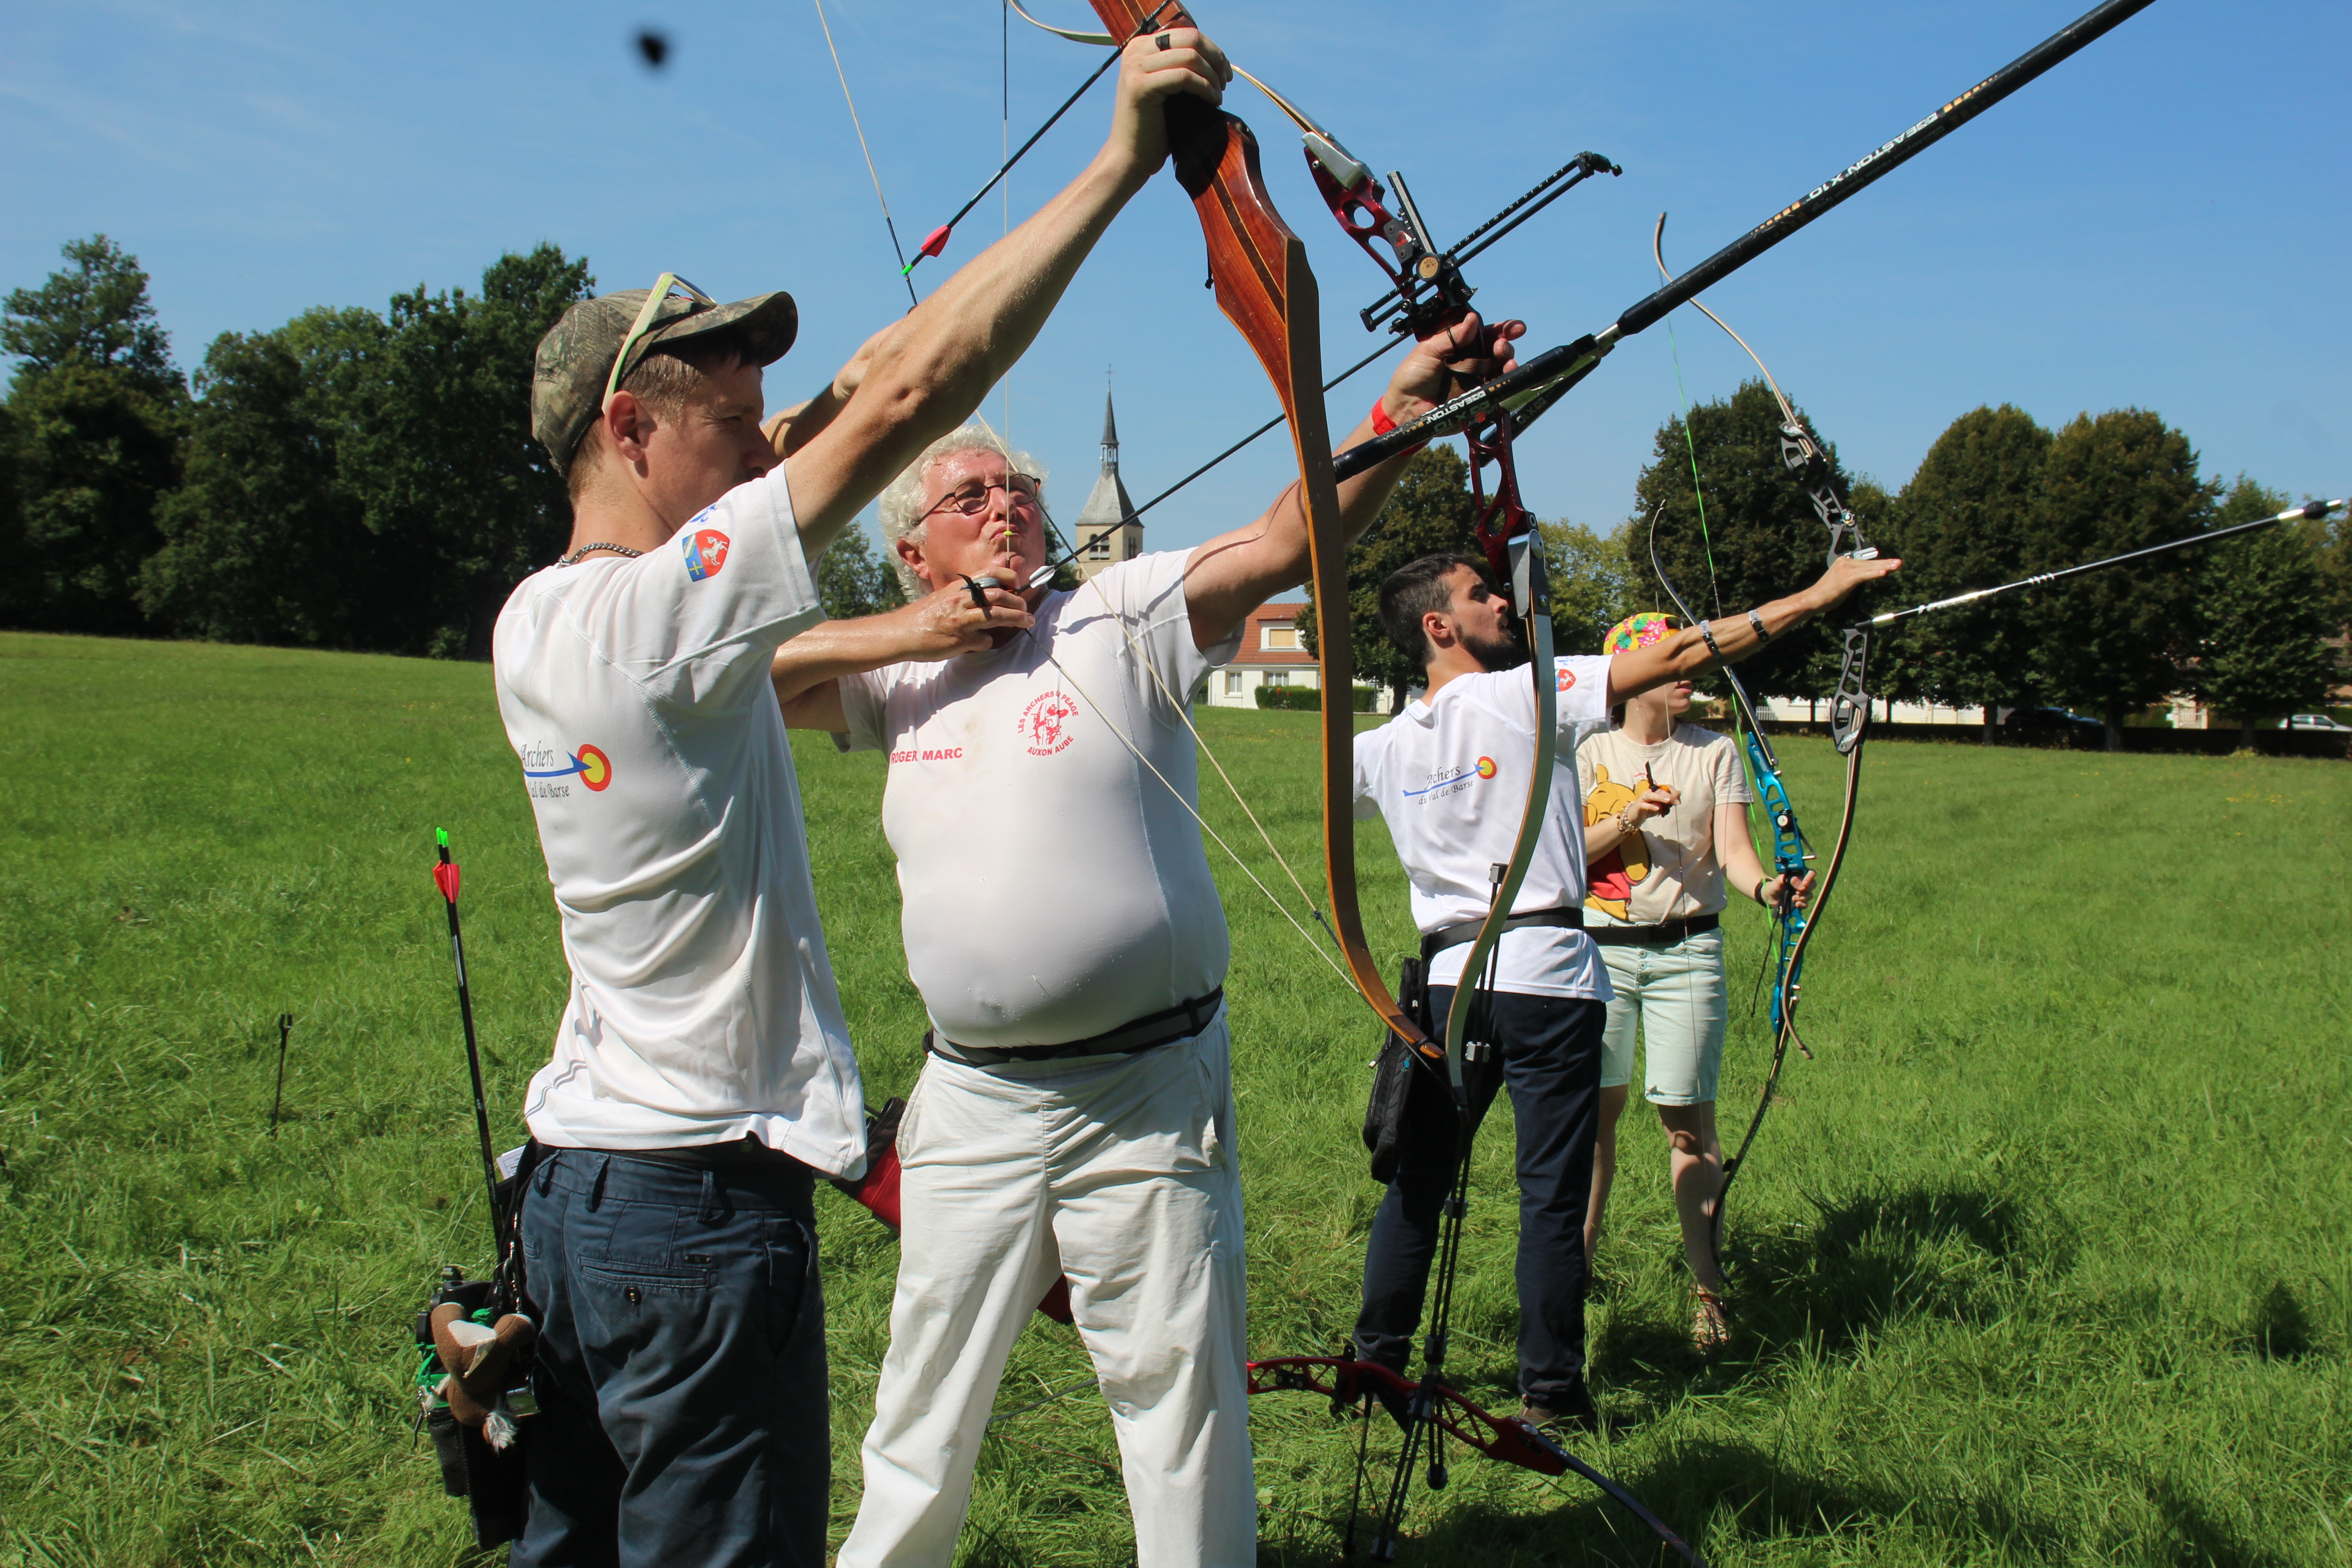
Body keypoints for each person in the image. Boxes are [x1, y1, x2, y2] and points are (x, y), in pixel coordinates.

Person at [490, 29, 1239, 1566]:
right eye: (726, 409)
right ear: (630, 428)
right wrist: (1115, 161)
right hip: (695, 1212)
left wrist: (863, 503)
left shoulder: (538, 621)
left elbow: (845, 409)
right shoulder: (660, 617)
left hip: (569, 1199)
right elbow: (904, 394)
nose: (765, 433)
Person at [767, 309, 1530, 1563]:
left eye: (1017, 490)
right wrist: (924, 632)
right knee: (922, 1405)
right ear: (910, 550)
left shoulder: (1117, 612)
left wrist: (1409, 402)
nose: (1005, 508)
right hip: (971, 1100)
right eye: (970, 497)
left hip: (1145, 1089)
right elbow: (724, 673)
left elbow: (1290, 537)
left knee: (1176, 1403)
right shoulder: (889, 676)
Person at [1350, 550, 1895, 1430]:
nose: (1502, 602)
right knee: (1550, 1198)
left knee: (1419, 1184)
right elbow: (1680, 655)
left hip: (1449, 990)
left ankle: (1375, 1371)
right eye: (1480, 595)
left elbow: (1342, 804)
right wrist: (1819, 596)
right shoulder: (1530, 691)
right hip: (1549, 984)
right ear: (1436, 627)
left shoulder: (1377, 750)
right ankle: (1552, 1393)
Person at [1576, 612, 1811, 1350]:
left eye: (1689, 663)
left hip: (1688, 954)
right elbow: (1561, 860)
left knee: (1687, 1123)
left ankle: (1708, 1290)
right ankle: (1572, 1275)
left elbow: (1736, 852)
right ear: (1630, 676)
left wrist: (1768, 889)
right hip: (1597, 954)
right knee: (1591, 1123)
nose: (1688, 673)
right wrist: (1628, 820)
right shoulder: (1586, 751)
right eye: (1669, 663)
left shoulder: (1716, 753)